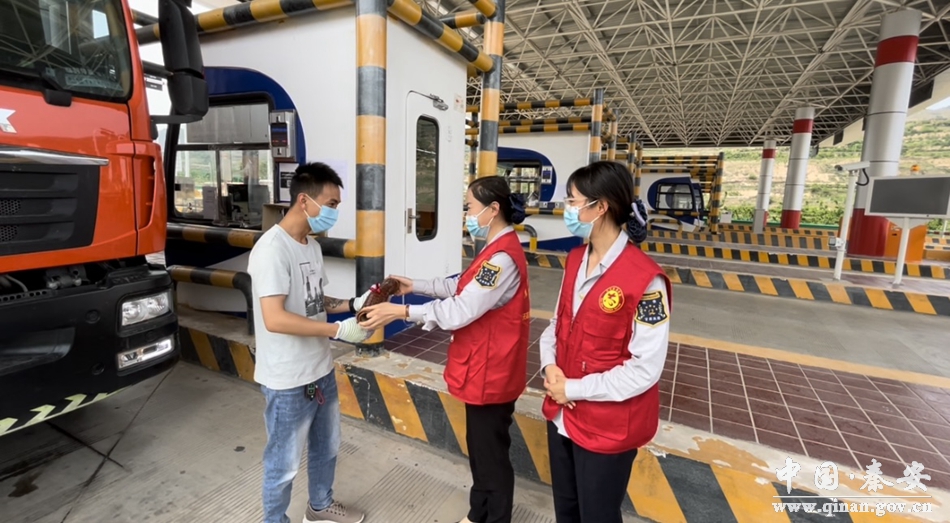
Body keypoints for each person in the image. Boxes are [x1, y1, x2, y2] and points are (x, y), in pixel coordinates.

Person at [358, 176, 531, 523]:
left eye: (470, 207)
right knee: (481, 451)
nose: (467, 214)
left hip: (492, 373)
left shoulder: (501, 259)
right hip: (485, 369)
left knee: (490, 457)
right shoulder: (495, 249)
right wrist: (415, 285)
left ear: (493, 209)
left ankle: (494, 518)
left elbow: (461, 310)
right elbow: (462, 286)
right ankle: (478, 514)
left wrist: (401, 312)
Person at [539, 161, 672, 523]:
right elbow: (556, 324)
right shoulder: (575, 260)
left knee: (597, 515)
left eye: (572, 201)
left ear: (600, 207)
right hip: (563, 414)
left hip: (607, 426)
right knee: (567, 510)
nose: (567, 209)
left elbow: (645, 369)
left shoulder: (646, 280)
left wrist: (573, 389)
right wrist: (550, 366)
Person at [247, 162, 374, 523]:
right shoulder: (272, 250)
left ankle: (320, 506)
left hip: (320, 370)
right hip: (287, 379)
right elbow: (275, 319)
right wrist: (338, 332)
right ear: (304, 201)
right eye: (331, 204)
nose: (334, 212)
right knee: (283, 463)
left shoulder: (311, 246)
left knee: (327, 447)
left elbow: (316, 301)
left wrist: (353, 304)